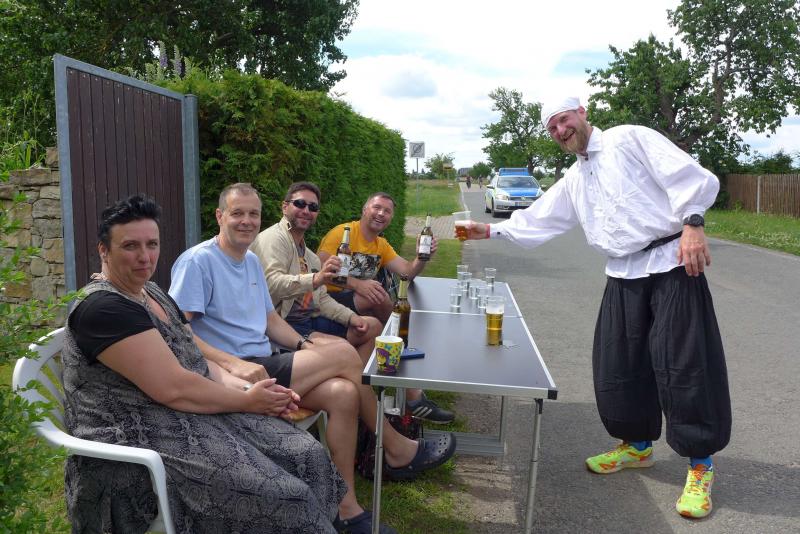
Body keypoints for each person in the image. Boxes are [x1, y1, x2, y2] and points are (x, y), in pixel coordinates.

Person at [458, 97, 731, 519]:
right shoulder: (575, 177)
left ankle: (700, 465)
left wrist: (693, 224)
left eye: (564, 120)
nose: (560, 130)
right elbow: (541, 218)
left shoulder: (629, 139)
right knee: (619, 365)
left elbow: (688, 176)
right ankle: (637, 447)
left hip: (671, 264)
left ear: (582, 113)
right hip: (622, 273)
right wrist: (490, 231)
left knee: (684, 365)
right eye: (552, 127)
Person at [169, 183, 456, 534]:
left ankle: (345, 508)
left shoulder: (251, 262)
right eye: (237, 213)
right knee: (344, 354)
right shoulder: (199, 261)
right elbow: (178, 329)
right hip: (236, 373)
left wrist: (304, 346)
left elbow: (270, 320)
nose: (247, 221)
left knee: (343, 393)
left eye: (253, 214)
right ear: (219, 216)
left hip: (267, 358)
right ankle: (395, 447)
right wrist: (231, 363)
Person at [61, 194, 346, 533]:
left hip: (188, 415)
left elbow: (194, 356)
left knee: (306, 454)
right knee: (284, 495)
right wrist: (248, 401)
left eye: (152, 244)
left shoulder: (151, 292)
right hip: (136, 440)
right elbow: (175, 388)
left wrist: (250, 389)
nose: (145, 256)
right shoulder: (104, 310)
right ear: (103, 251)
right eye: (130, 246)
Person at [318, 192, 455, 424]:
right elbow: (318, 269)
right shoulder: (342, 233)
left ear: (391, 218)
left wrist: (422, 258)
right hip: (328, 300)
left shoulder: (380, 245)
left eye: (387, 211)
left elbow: (406, 272)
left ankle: (400, 382)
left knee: (380, 310)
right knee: (380, 299)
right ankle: (411, 385)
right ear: (365, 210)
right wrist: (358, 284)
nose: (381, 213)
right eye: (377, 207)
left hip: (358, 306)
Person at [250, 181, 383, 366]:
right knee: (344, 351)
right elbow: (271, 284)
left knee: (372, 326)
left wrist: (350, 317)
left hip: (309, 320)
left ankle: (354, 376)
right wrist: (316, 278)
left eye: (313, 207)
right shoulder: (274, 239)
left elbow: (320, 299)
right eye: (299, 204)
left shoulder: (310, 257)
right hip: (283, 326)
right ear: (285, 207)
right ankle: (347, 375)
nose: (306, 210)